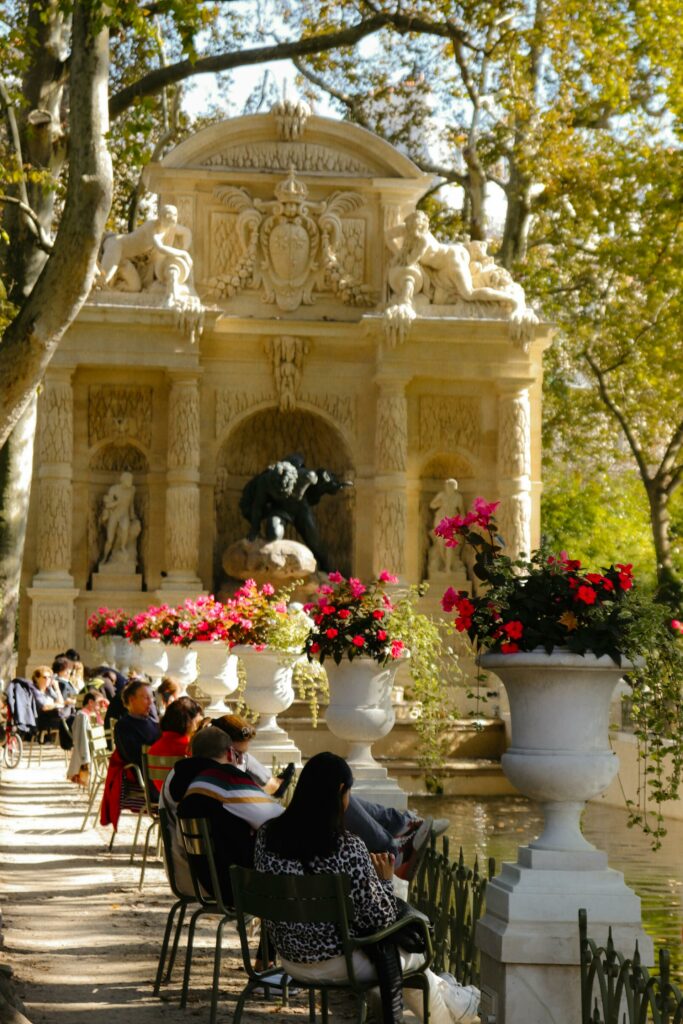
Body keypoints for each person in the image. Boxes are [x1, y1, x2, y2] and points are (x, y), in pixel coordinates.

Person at [255, 752, 480, 1024]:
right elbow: (379, 921)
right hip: (338, 961)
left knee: (415, 968)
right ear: (340, 791)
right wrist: (385, 880)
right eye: (349, 793)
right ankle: (458, 1002)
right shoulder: (348, 848)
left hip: (290, 957)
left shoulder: (266, 836)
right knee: (414, 958)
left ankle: (457, 1000)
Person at [212, 713, 447, 880]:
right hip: (332, 942)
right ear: (226, 750)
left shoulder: (214, 783)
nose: (241, 760)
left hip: (284, 931)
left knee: (343, 796)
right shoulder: (349, 849)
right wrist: (384, 882)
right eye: (239, 754)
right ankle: (393, 850)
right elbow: (377, 915)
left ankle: (401, 825)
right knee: (339, 795)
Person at [173, 727, 284, 902]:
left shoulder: (185, 782)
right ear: (230, 753)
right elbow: (280, 820)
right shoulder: (224, 781)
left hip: (201, 877)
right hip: (238, 883)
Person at [147, 696, 203, 791]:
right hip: (187, 800)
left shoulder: (153, 748)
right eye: (198, 723)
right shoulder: (190, 749)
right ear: (190, 722)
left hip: (162, 798)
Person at [114, 679, 160, 768]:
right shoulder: (124, 726)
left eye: (151, 698)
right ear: (132, 699)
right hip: (144, 776)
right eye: (146, 698)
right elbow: (133, 757)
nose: (151, 702)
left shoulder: (151, 721)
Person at [67, 690, 98, 786]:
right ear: (90, 702)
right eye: (98, 703)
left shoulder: (84, 715)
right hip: (86, 752)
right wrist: (85, 758)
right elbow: (83, 740)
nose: (99, 707)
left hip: (87, 750)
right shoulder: (82, 716)